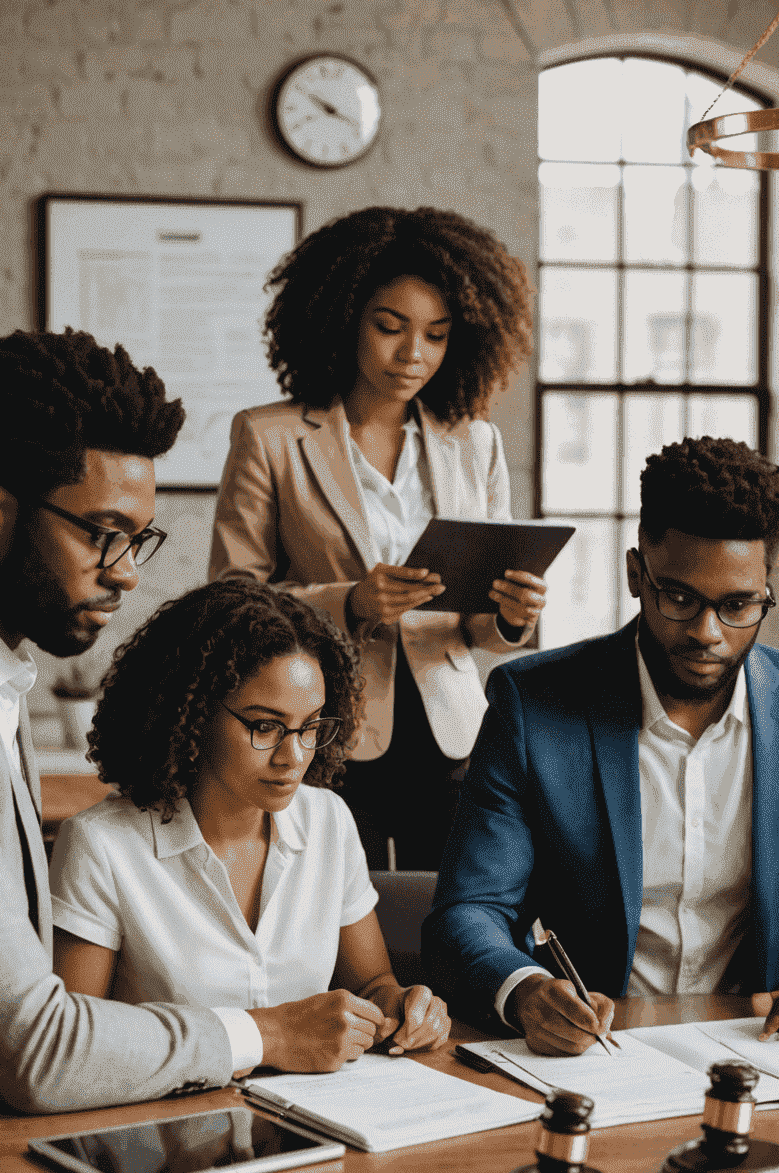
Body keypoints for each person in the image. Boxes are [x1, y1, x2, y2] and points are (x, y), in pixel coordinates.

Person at [0, 331, 378, 1173]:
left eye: (138, 541)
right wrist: (266, 1034)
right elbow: (37, 1047)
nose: (125, 577)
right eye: (103, 535)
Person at [423, 436, 779, 1054]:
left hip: (757, 1054)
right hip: (593, 1055)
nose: (707, 633)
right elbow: (469, 911)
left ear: (767, 587)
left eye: (738, 606)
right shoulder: (533, 704)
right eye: (679, 598)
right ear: (634, 573)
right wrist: (523, 989)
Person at [210, 206, 545, 873]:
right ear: (343, 317)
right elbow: (230, 601)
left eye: (437, 335)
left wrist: (509, 616)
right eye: (390, 327)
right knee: (330, 923)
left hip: (452, 735)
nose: (412, 354)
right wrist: (350, 604)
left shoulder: (474, 442)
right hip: (324, 729)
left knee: (452, 919)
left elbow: (477, 627)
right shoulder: (269, 437)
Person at [50, 577, 450, 1058]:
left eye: (311, 727)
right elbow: (72, 1044)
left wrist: (404, 1006)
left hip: (318, 1116)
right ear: (191, 711)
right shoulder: (101, 845)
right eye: (265, 726)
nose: (293, 757)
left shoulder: (327, 820)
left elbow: (371, 984)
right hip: (165, 1122)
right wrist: (267, 1036)